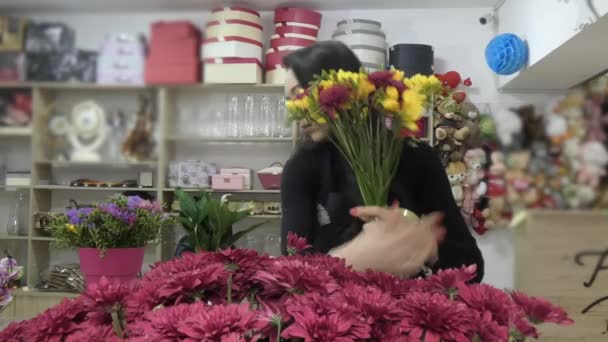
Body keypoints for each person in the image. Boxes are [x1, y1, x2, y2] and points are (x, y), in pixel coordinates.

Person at [280, 41, 484, 281]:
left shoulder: (417, 157)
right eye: (289, 100)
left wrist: (427, 246)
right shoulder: (301, 167)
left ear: (342, 90)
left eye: (301, 95)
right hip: (329, 314)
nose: (295, 110)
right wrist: (350, 259)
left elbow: (473, 267)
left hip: (411, 311)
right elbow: (290, 268)